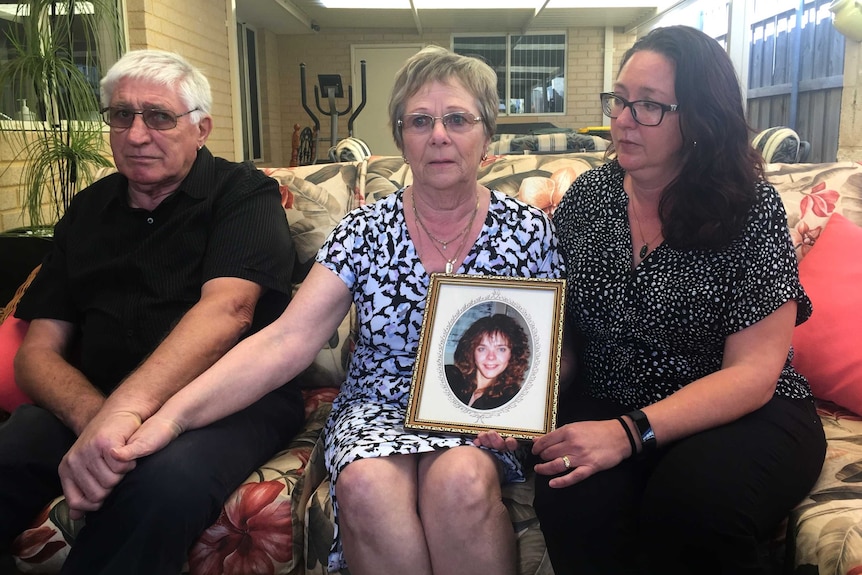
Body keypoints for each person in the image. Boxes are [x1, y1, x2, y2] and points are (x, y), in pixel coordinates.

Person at [109, 45, 564, 575]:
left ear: (486, 136)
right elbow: (286, 340)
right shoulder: (363, 231)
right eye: (420, 120)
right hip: (376, 407)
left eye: (457, 119)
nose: (438, 134)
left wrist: (521, 415)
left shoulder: (528, 230)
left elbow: (553, 351)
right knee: (366, 483)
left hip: (478, 412)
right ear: (401, 136)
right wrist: (171, 418)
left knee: (462, 479)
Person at [477, 26, 826, 574]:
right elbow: (561, 334)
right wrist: (520, 401)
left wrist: (630, 433)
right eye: (619, 100)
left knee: (693, 506)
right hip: (609, 394)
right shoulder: (589, 200)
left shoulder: (748, 208)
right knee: (571, 492)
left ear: (700, 118)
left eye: (648, 106)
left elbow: (754, 372)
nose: (622, 119)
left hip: (737, 410)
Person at [0, 50, 304, 574]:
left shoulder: (244, 194)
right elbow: (37, 350)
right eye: (122, 115)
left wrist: (124, 418)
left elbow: (228, 311)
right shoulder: (88, 210)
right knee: (10, 452)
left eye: (159, 116)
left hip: (224, 404)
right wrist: (97, 419)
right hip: (92, 401)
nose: (137, 134)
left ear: (201, 128)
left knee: (164, 483)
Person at [446, 313, 530, 410]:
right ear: (471, 351)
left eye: (501, 349)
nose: (491, 357)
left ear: (513, 354)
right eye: (482, 349)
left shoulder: (513, 401)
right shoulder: (449, 377)